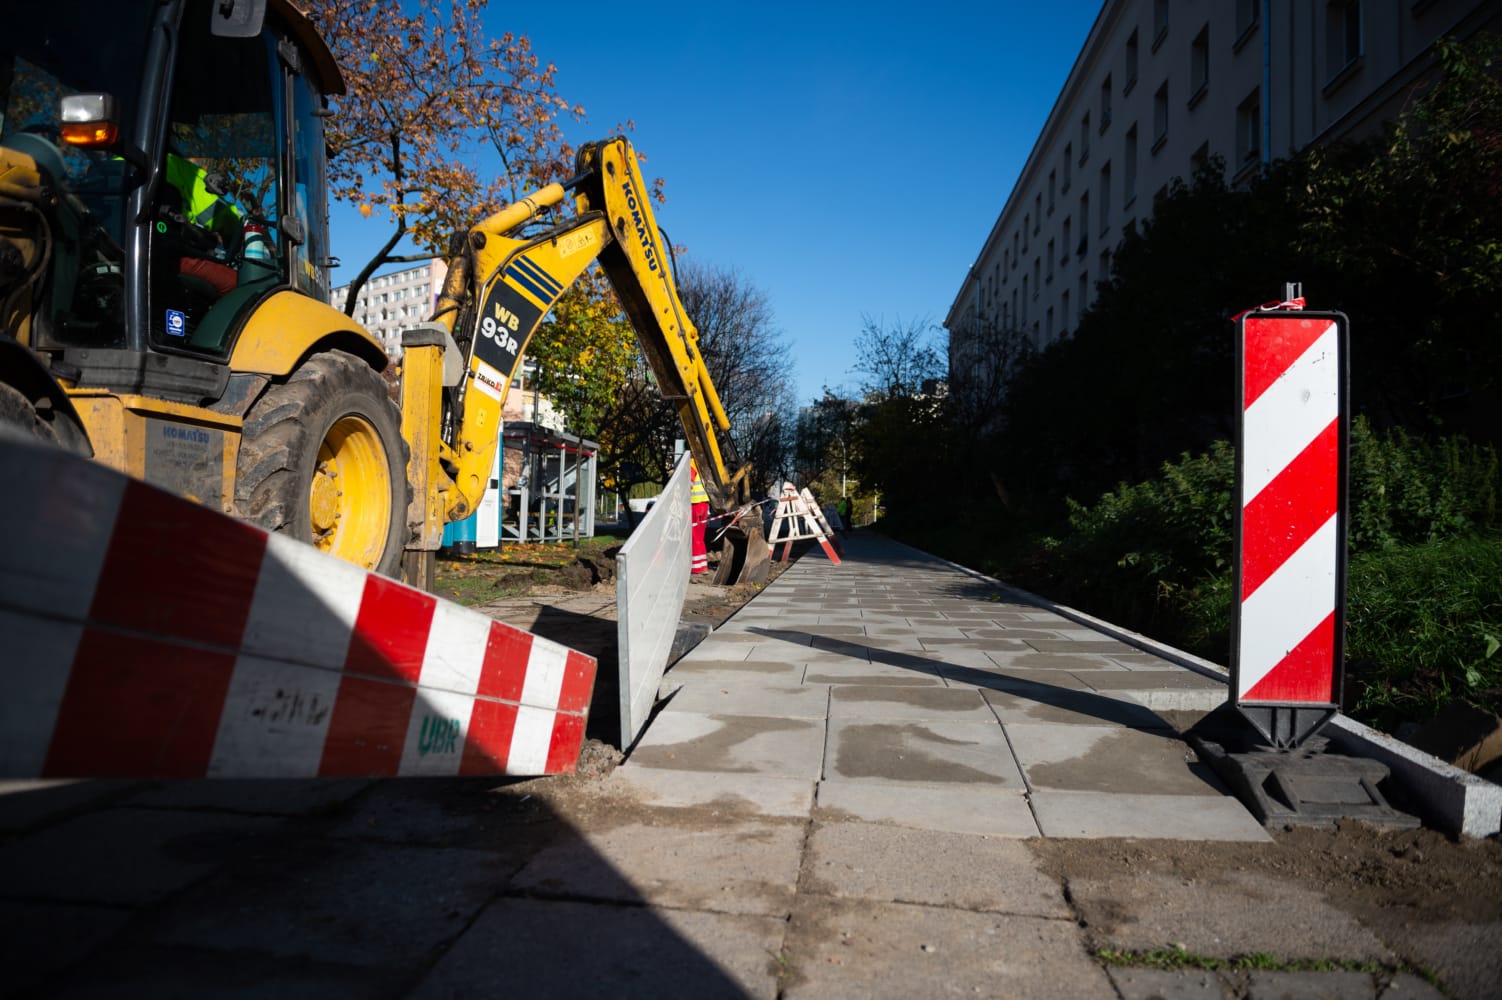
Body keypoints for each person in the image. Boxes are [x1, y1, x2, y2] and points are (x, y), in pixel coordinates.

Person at [689, 456, 710, 575]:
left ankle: (696, 567)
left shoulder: (692, 463)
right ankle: (702, 565)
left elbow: (688, 483)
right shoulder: (704, 464)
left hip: (695, 503)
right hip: (704, 503)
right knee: (699, 536)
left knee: (694, 536)